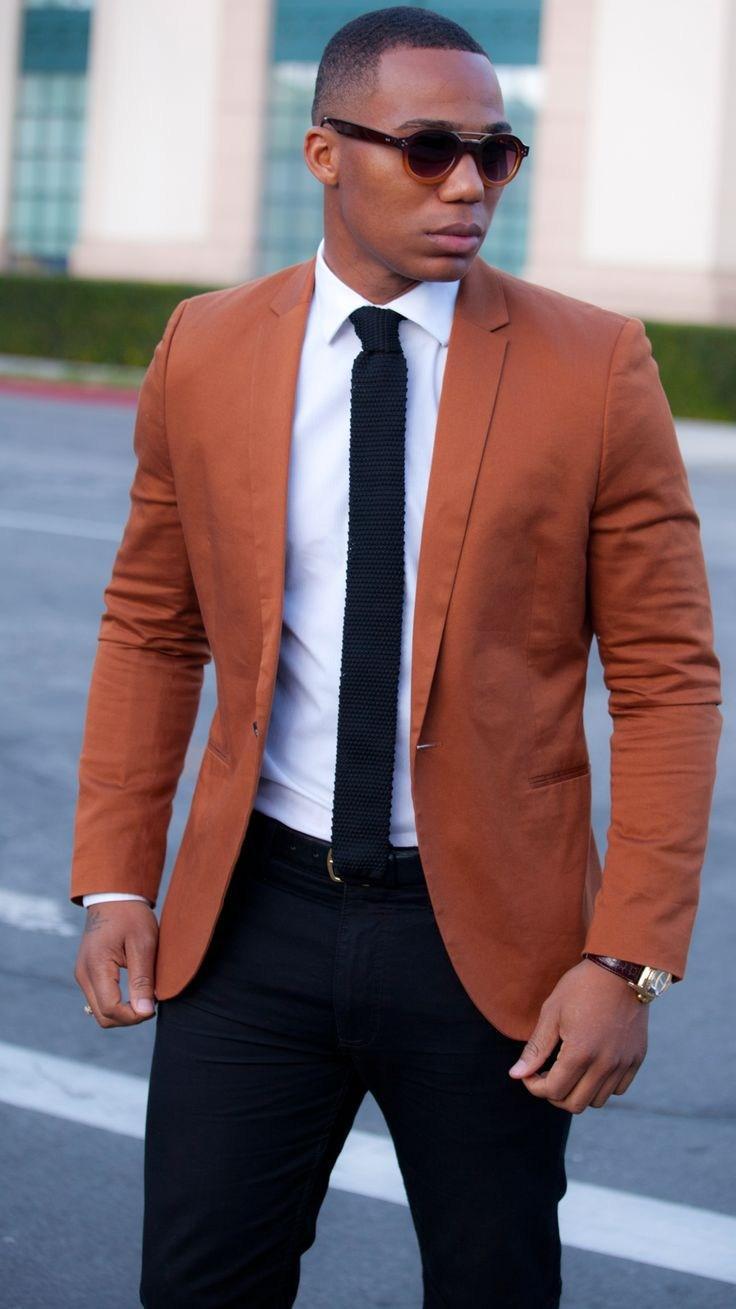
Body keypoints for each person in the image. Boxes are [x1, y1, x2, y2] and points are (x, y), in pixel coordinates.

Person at [69, 6, 723, 1307]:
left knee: (492, 1286)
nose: (470, 185)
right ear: (325, 152)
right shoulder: (205, 346)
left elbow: (667, 678)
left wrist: (627, 960)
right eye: (430, 149)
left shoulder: (595, 365)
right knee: (198, 1286)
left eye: (497, 153)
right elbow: (152, 623)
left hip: (490, 941)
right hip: (249, 919)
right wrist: (115, 879)